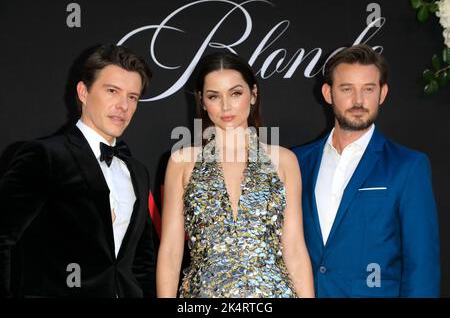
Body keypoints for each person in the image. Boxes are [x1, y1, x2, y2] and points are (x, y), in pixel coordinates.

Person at [0, 44, 156, 297]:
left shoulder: (137, 171)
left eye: (132, 97)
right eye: (112, 91)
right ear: (83, 92)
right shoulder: (45, 156)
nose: (123, 105)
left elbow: (142, 261)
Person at [156, 51, 314, 298]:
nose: (226, 106)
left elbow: (293, 248)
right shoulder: (182, 161)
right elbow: (170, 251)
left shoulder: (284, 161)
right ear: (202, 100)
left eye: (235, 93)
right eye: (214, 96)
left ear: (253, 94)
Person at [292, 44, 440, 297]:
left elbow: (422, 265)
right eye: (347, 88)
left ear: (382, 93)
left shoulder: (408, 166)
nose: (358, 101)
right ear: (328, 93)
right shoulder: (296, 162)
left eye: (368, 89)